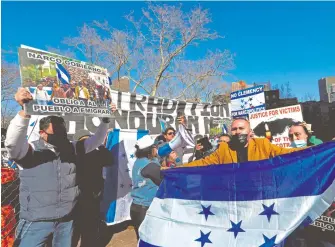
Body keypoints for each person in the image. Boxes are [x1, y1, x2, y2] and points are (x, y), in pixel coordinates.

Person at [5, 87, 116, 247]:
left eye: (62, 128)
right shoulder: (29, 151)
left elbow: (96, 141)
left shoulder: (72, 148)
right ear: (42, 133)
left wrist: (106, 120)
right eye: (55, 130)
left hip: (66, 220)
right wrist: (25, 111)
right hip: (36, 221)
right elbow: (12, 143)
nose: (61, 133)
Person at [181, 118, 303, 167]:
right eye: (234, 129)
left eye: (241, 128)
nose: (238, 132)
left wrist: (317, 149)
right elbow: (203, 163)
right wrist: (176, 169)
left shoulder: (262, 145)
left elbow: (287, 153)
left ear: (250, 131)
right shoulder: (224, 149)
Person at [72, 130, 114, 247]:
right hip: (85, 195)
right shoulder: (93, 152)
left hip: (83, 195)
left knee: (80, 228)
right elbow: (109, 159)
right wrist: (100, 146)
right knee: (84, 228)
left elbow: (109, 160)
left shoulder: (76, 152)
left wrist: (99, 145)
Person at [130, 135, 161, 240]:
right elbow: (164, 180)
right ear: (150, 149)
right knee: (150, 240)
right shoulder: (150, 165)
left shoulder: (139, 161)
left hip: (137, 207)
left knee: (142, 240)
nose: (157, 148)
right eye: (156, 146)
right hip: (145, 208)